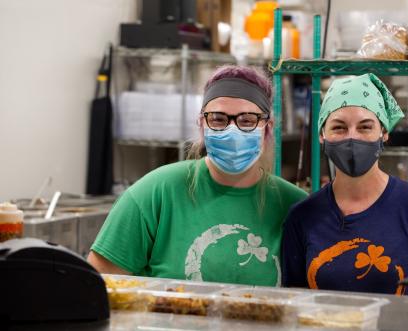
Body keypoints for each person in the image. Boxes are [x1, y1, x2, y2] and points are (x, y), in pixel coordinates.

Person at [88, 65, 307, 286]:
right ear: (202, 123)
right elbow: (98, 285)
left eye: (247, 120)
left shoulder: (294, 207)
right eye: (219, 119)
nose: (232, 131)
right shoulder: (155, 193)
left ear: (267, 127)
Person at [281, 73, 408, 295]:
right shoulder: (302, 216)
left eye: (365, 127)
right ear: (322, 135)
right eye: (339, 127)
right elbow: (295, 304)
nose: (352, 137)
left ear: (384, 132)